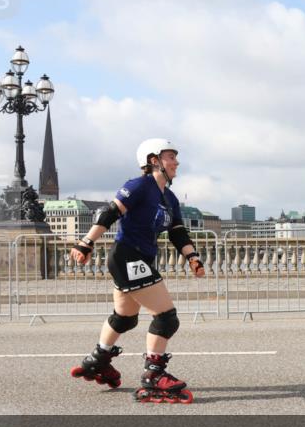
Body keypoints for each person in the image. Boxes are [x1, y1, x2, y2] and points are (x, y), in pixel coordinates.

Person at [69, 138, 205, 403]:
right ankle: (153, 376)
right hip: (127, 257)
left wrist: (193, 258)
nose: (176, 162)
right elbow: (110, 212)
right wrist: (86, 243)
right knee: (166, 317)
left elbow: (178, 232)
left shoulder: (170, 197)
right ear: (154, 160)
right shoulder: (140, 185)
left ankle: (98, 360)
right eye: (170, 157)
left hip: (139, 259)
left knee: (125, 318)